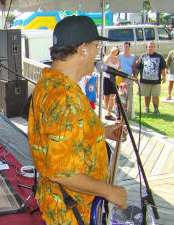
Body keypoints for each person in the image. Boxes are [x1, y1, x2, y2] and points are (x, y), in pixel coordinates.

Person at [28, 16, 127, 225]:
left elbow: (67, 135)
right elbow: (63, 174)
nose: (96, 53)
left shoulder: (51, 82)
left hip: (65, 203)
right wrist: (110, 191)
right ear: (83, 49)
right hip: (73, 210)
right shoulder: (64, 98)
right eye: (95, 46)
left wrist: (104, 131)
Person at [136, 41, 167, 115]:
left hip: (156, 81)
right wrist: (135, 76)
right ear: (147, 47)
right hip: (145, 80)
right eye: (149, 46)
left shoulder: (159, 56)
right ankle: (147, 108)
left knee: (155, 96)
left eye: (152, 46)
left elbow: (163, 67)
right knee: (146, 95)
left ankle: (156, 110)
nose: (150, 48)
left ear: (155, 47)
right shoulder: (143, 56)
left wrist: (164, 76)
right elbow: (138, 67)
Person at [119, 41, 137, 119]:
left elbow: (134, 68)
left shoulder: (133, 56)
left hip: (129, 78)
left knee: (129, 96)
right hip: (121, 78)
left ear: (129, 47)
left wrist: (135, 77)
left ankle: (128, 115)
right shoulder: (120, 56)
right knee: (122, 96)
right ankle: (121, 113)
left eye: (127, 46)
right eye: (124, 46)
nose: (126, 48)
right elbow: (118, 66)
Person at [103, 46, 121, 120]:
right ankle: (107, 111)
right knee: (106, 96)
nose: (115, 52)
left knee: (112, 96)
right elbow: (105, 63)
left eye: (116, 51)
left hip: (114, 79)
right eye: (114, 51)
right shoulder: (107, 58)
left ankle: (109, 112)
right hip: (107, 78)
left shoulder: (118, 59)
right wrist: (111, 55)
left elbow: (119, 68)